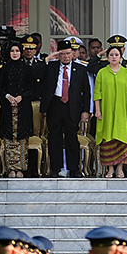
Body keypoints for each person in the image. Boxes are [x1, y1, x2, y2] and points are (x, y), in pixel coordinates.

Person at [41, 39, 92, 178]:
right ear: (58, 54)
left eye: (68, 53)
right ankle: (55, 169)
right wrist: (46, 60)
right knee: (54, 137)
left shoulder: (81, 69)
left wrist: (86, 111)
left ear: (73, 53)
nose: (65, 56)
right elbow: (36, 74)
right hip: (55, 105)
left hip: (73, 106)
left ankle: (74, 169)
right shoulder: (51, 67)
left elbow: (86, 92)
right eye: (62, 53)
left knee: (71, 138)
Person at [94, 46, 127, 178]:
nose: (114, 57)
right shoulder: (102, 72)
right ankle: (110, 169)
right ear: (107, 57)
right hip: (106, 111)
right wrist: (97, 110)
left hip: (122, 111)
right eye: (111, 54)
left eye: (116, 54)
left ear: (120, 57)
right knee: (108, 139)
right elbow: (97, 93)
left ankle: (120, 168)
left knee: (121, 139)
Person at [0, 41, 37, 178]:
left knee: (22, 139)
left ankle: (21, 169)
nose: (14, 53)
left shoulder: (27, 69)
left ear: (21, 52)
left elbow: (33, 89)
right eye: (12, 51)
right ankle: (10, 169)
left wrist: (21, 97)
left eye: (17, 51)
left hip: (23, 108)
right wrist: (8, 97)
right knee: (9, 139)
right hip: (8, 108)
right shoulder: (4, 68)